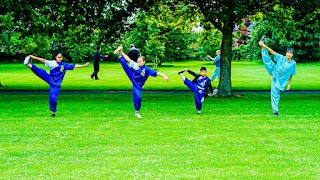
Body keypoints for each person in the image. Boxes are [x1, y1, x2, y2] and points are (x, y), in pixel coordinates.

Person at [23, 53, 90, 117]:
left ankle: (53, 112)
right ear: (56, 57)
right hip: (50, 79)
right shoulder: (53, 63)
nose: (59, 58)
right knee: (41, 72)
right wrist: (33, 57)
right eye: (58, 57)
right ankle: (28, 64)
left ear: (62, 58)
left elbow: (75, 65)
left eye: (60, 57)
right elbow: (43, 60)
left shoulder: (65, 65)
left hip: (56, 84)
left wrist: (84, 65)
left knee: (53, 98)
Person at [114, 46, 169, 118]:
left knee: (138, 98)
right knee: (125, 65)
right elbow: (128, 59)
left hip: (137, 85)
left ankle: (137, 112)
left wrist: (164, 76)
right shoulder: (136, 66)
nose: (138, 62)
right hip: (132, 75)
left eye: (139, 61)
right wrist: (122, 52)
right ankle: (119, 54)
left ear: (144, 62)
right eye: (138, 61)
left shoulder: (146, 69)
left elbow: (156, 73)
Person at [258, 40, 296, 116]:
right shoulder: (281, 58)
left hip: (279, 80)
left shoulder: (293, 64)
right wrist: (264, 46)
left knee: (275, 94)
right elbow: (272, 52)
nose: (289, 54)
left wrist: (289, 84)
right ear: (286, 53)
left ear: (292, 55)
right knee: (267, 61)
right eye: (288, 52)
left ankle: (275, 111)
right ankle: (262, 46)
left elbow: (291, 74)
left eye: (290, 53)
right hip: (273, 71)